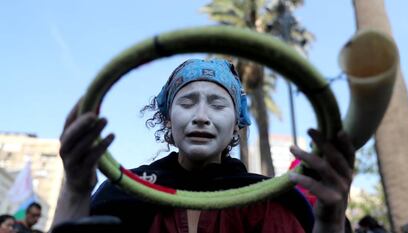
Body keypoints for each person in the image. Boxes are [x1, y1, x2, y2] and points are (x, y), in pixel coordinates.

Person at [51, 58, 355, 233]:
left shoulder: (270, 201)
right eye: (187, 102)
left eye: (217, 105)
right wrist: (75, 188)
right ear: (168, 119)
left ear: (236, 124)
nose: (200, 117)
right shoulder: (122, 191)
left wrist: (330, 222)